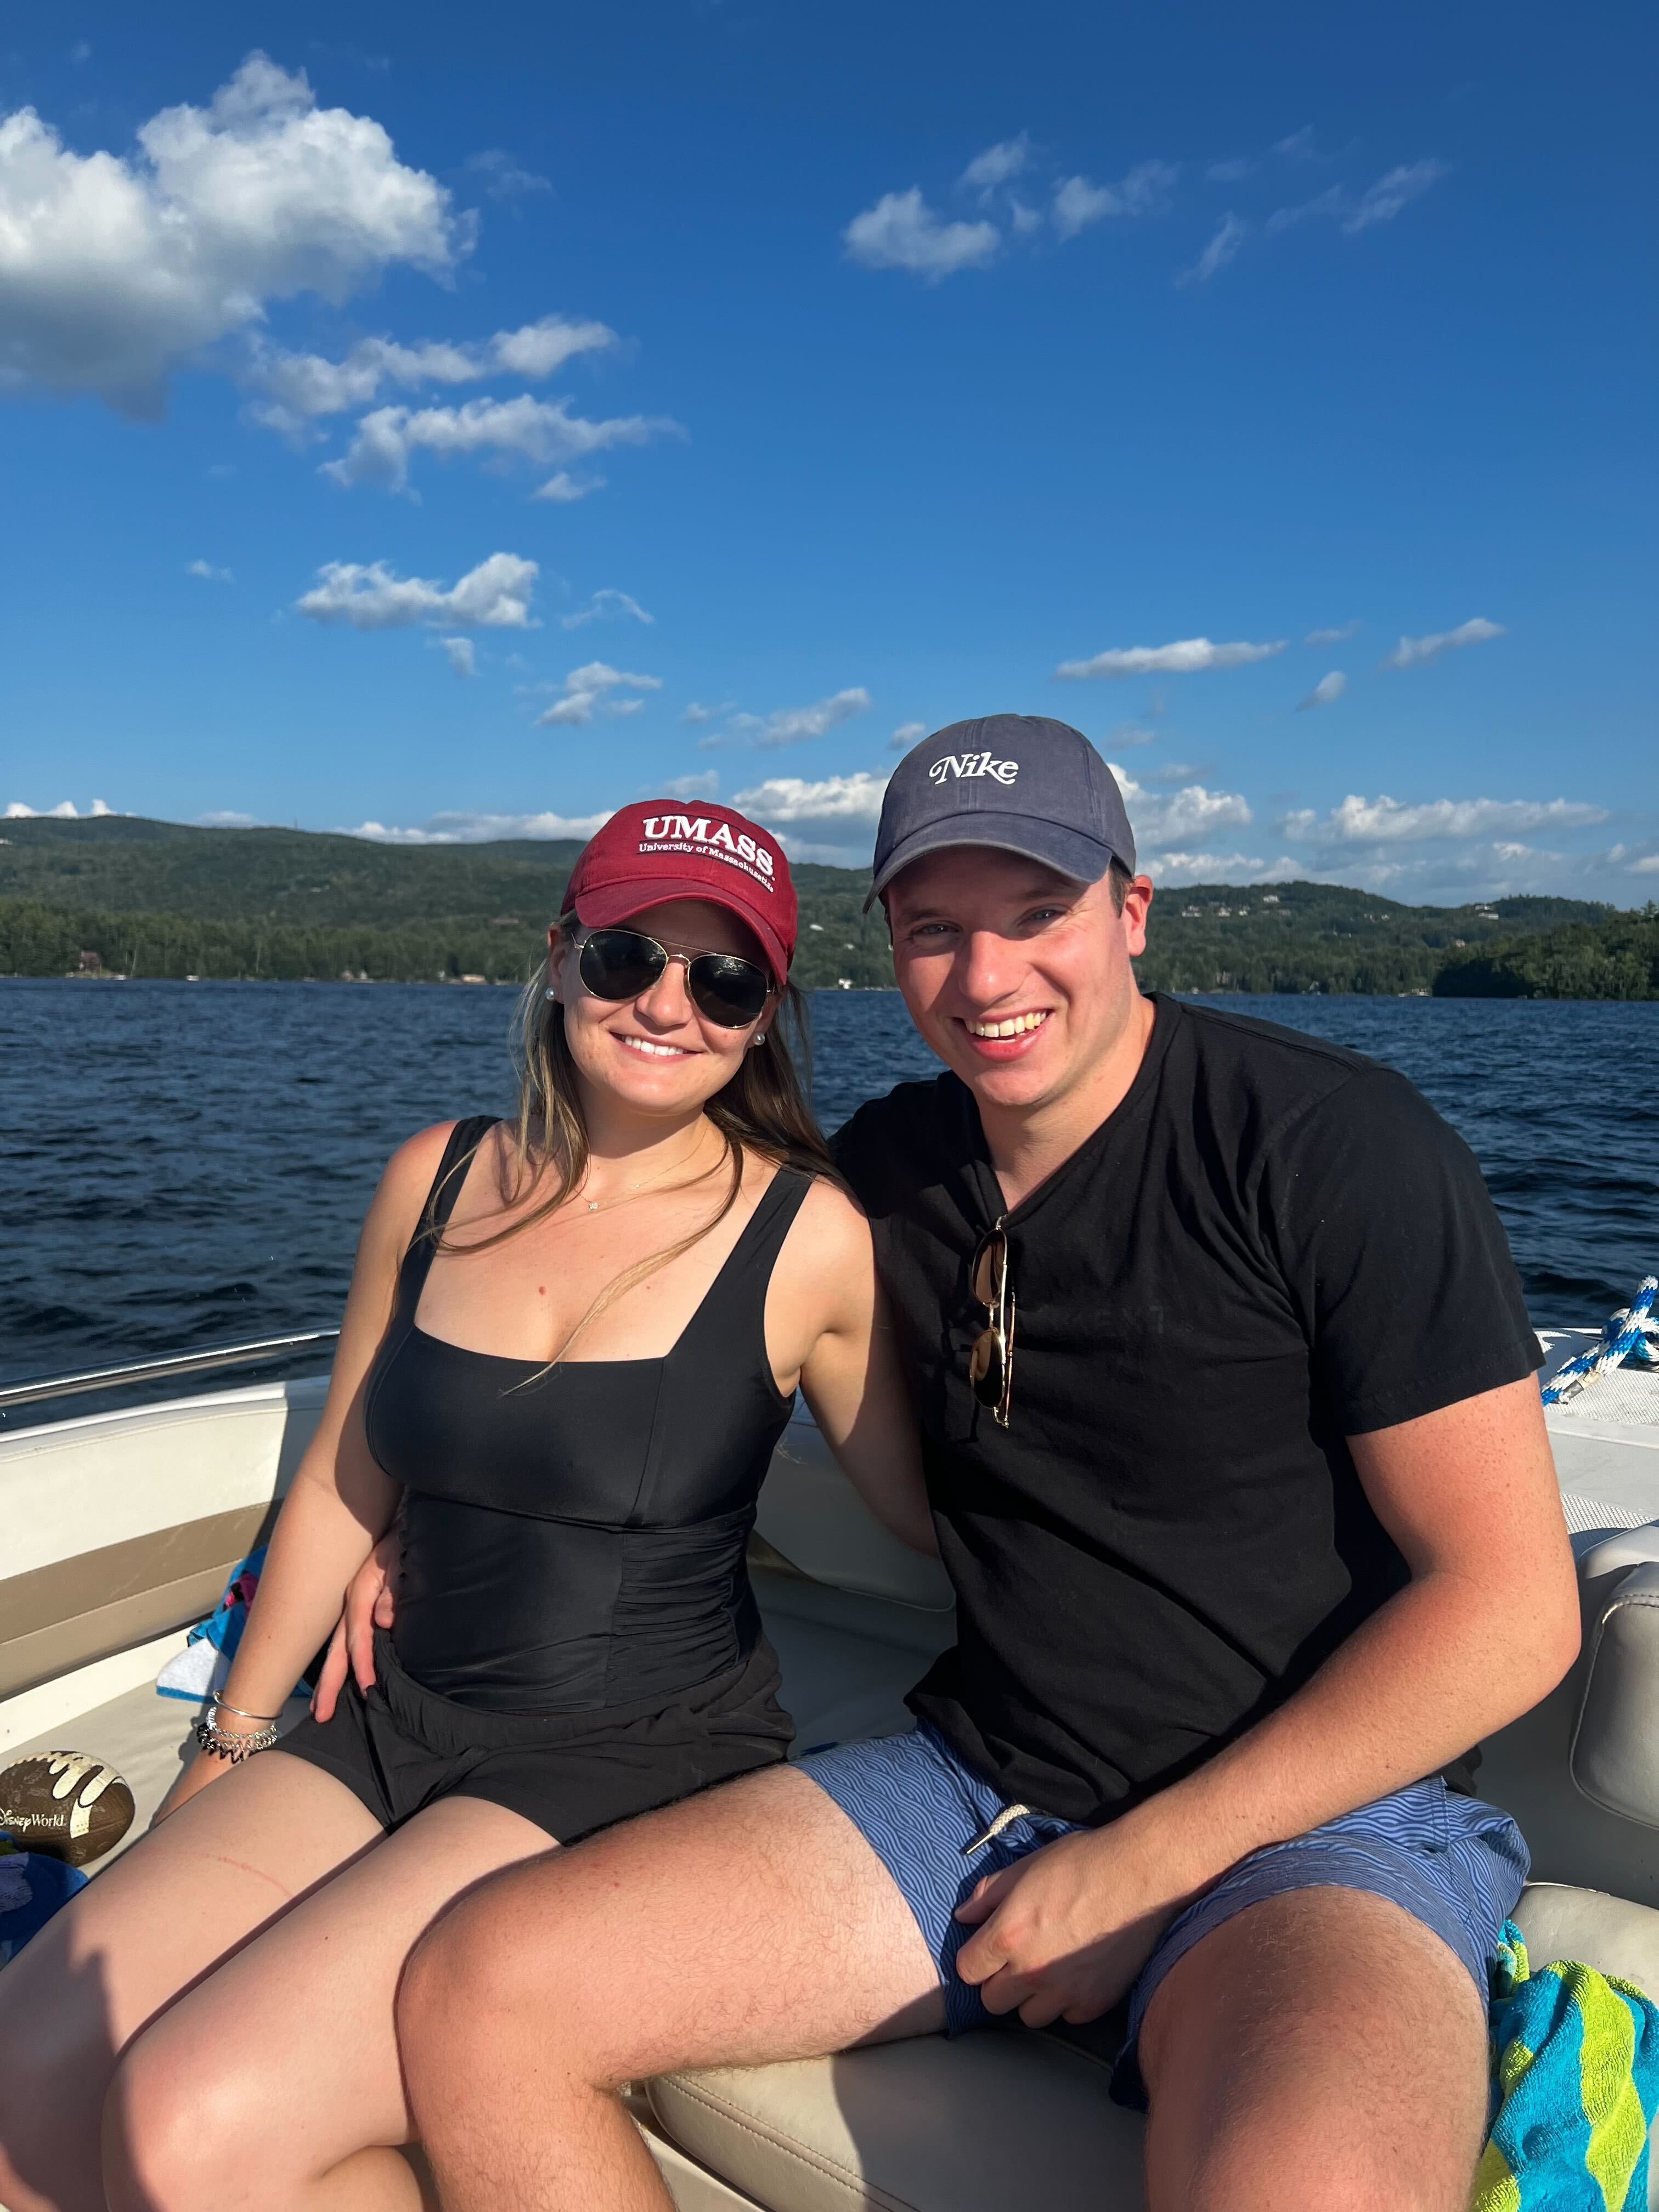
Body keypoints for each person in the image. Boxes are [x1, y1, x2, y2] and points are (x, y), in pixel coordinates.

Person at [386, 716, 1581, 2212]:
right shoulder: (885, 1175)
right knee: (479, 1992)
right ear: (889, 946)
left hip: (1325, 1824)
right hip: (985, 1784)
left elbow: (1514, 1605)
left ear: (1132, 912)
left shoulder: (1333, 1148)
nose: (992, 977)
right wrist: (420, 1511)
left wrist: (1141, 1866)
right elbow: (644, 1285)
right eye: (938, 931)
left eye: (1040, 915)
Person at [0, 802, 934, 2212]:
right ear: (561, 958)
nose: (667, 1004)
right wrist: (232, 1740)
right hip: (391, 1712)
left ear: (766, 1019)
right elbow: (345, 1474)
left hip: (626, 1752)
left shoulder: (806, 1236)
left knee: (192, 2125)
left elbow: (941, 1512)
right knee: (24, 2065)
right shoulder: (434, 1181)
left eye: (722, 978)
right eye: (629, 957)